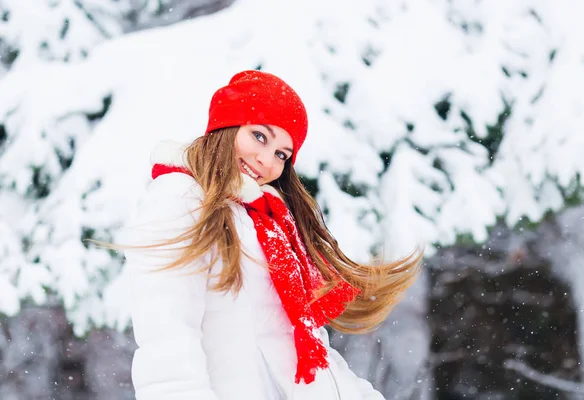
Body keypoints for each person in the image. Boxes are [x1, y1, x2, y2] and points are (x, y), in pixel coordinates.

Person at [121, 70, 422, 400]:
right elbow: (167, 343)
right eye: (259, 136)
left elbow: (299, 349)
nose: (266, 160)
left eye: (282, 154)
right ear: (226, 125)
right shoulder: (180, 199)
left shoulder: (265, 221)